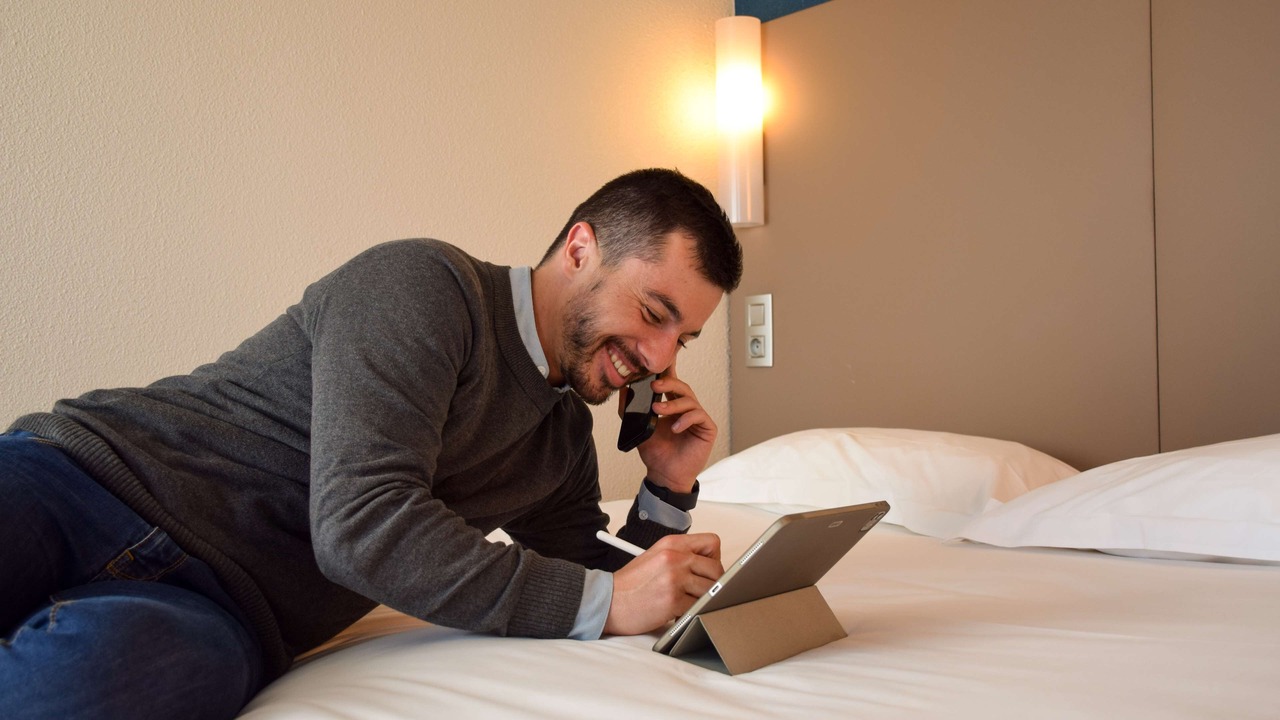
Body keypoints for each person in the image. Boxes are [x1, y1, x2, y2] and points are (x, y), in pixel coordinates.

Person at [0, 168, 744, 719]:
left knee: (90, 690)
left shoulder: (558, 443)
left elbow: (594, 587)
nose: (657, 356)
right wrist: (607, 599)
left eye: (683, 337)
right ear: (581, 248)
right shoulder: (426, 285)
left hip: (227, 614)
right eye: (653, 312)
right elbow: (362, 527)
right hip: (85, 482)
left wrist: (668, 489)